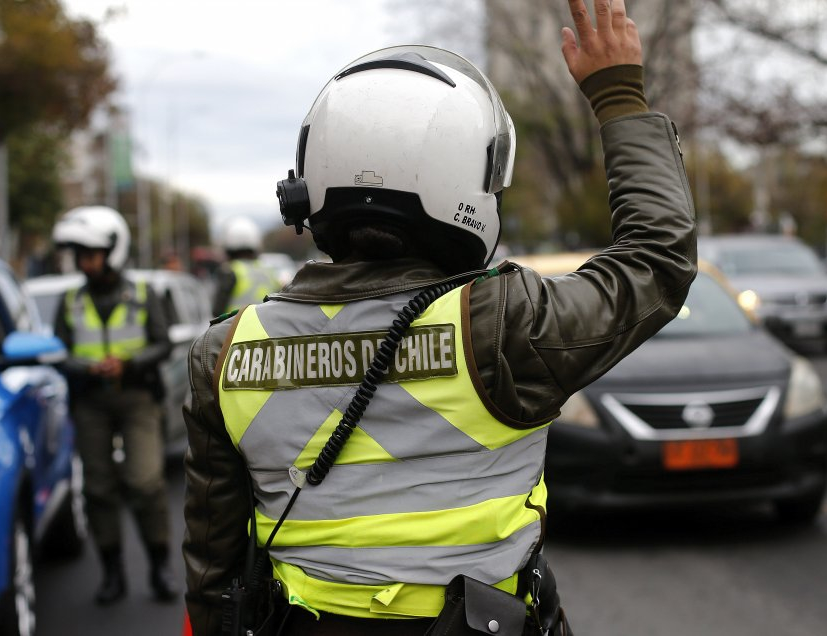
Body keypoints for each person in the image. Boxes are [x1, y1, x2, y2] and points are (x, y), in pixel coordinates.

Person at [183, 0, 697, 634]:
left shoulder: (225, 353)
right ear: (467, 185)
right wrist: (618, 94)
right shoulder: (505, 325)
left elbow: (214, 569)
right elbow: (658, 258)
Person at [50, 205, 179, 605]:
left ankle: (159, 566)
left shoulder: (143, 293)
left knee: (144, 481)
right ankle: (112, 573)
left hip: (138, 398)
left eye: (91, 253)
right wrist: (84, 367)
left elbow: (164, 342)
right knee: (99, 489)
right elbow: (58, 350)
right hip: (91, 403)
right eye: (79, 254)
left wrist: (129, 363)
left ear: (113, 250)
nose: (84, 262)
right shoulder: (70, 299)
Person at [212, 216, 284, 316]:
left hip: (235, 329)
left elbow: (217, 311)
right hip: (267, 329)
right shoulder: (268, 271)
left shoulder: (229, 271)